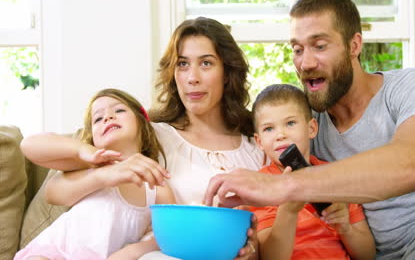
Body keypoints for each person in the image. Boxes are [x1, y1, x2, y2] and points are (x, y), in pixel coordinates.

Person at [204, 0, 415, 259]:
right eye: (297, 49)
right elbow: (251, 131)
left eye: (319, 46)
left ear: (354, 45)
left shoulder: (413, 85)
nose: (305, 63)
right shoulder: (309, 124)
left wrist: (284, 186)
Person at [21, 17, 264, 259]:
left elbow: (268, 227)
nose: (192, 78)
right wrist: (105, 173)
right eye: (182, 64)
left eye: (206, 63)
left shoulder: (258, 148)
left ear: (227, 71)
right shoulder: (148, 135)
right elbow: (55, 188)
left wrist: (252, 250)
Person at [15, 88, 176, 260]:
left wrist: (131, 252)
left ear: (142, 122)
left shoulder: (155, 185)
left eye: (119, 110)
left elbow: (169, 234)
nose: (107, 117)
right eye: (98, 118)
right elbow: (29, 146)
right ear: (93, 138)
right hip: (50, 254)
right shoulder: (89, 166)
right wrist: (82, 151)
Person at [250, 84, 375, 260]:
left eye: (290, 123)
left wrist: (345, 228)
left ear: (311, 128)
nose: (280, 135)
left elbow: (368, 255)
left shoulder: (336, 177)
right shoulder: (260, 187)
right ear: (259, 141)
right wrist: (288, 210)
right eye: (269, 129)